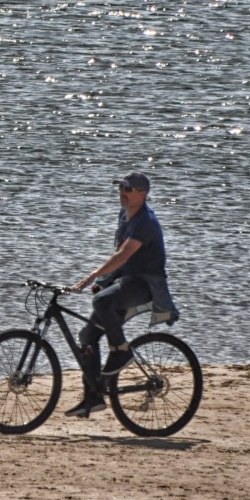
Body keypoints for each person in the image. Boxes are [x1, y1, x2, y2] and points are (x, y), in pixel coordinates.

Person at [64, 171, 179, 418]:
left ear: (143, 194)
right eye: (121, 189)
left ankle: (122, 350)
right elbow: (120, 257)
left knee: (102, 301)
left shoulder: (145, 222)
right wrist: (106, 279)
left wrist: (93, 276)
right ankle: (93, 397)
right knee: (87, 335)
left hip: (145, 284)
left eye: (128, 189)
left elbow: (124, 254)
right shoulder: (125, 215)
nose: (122, 194)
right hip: (127, 280)